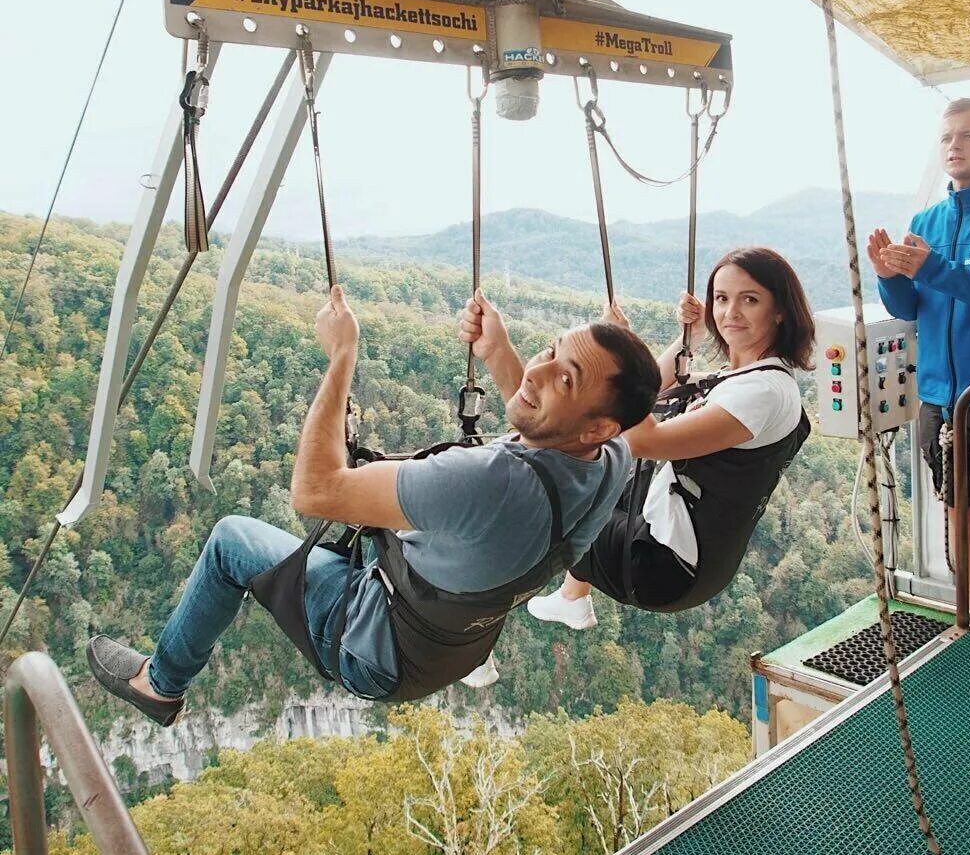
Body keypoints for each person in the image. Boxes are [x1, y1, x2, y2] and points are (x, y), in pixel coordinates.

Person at [88, 285, 661, 723]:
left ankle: (160, 685)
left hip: (372, 651)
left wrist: (342, 356)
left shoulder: (486, 483)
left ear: (599, 425)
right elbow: (551, 429)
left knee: (232, 540)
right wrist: (498, 352)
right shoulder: (613, 458)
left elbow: (315, 491)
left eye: (565, 377)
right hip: (446, 644)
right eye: (549, 351)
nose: (536, 373)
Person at [470, 249, 812, 653]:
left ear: (780, 311)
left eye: (749, 299)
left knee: (545, 489)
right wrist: (690, 337)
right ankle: (572, 596)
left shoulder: (762, 393)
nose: (730, 312)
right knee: (591, 459)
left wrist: (616, 349)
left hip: (658, 564)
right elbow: (656, 390)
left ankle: (470, 631)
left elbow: (645, 438)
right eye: (721, 299)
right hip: (689, 554)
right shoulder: (747, 378)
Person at [868, 97, 970, 634]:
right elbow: (913, 308)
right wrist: (890, 276)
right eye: (947, 138)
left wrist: (936, 266)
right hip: (938, 398)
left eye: (968, 136)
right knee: (960, 519)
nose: (954, 146)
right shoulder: (926, 220)